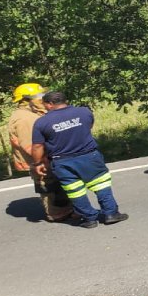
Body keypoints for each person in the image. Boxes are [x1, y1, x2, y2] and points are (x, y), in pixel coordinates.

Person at [31, 91, 128, 228]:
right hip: (89, 156)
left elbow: (37, 147)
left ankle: (89, 219)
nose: (45, 107)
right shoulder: (84, 112)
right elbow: (88, 127)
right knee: (101, 184)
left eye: (45, 104)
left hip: (62, 161)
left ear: (50, 104)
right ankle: (111, 213)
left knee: (75, 190)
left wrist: (37, 163)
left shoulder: (41, 122)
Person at [7, 83, 73, 223]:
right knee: (48, 185)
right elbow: (30, 146)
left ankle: (65, 208)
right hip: (41, 161)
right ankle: (56, 213)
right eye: (39, 96)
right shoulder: (24, 119)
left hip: (47, 158)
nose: (43, 98)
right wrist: (43, 161)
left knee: (58, 184)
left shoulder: (32, 113)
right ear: (26, 100)